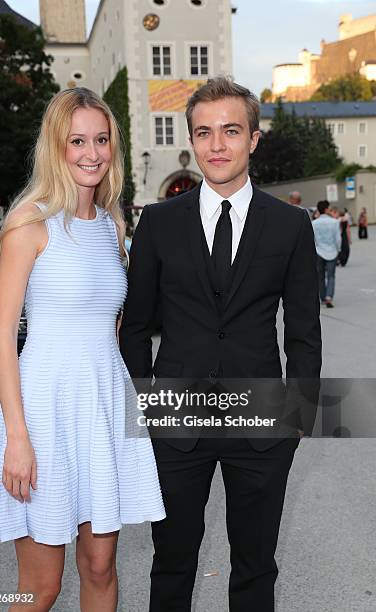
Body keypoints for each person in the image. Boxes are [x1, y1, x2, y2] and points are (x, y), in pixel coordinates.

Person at [120, 77, 321, 612]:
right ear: (192, 140)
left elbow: (303, 329)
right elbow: (136, 327)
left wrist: (297, 415)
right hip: (176, 421)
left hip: (260, 423)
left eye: (231, 131)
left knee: (256, 568)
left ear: (254, 139)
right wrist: (145, 408)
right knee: (172, 563)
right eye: (204, 132)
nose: (217, 145)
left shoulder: (291, 225)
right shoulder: (159, 224)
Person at [0, 88, 165, 611]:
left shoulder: (112, 226)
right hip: (43, 414)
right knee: (41, 587)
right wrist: (17, 437)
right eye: (76, 140)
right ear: (55, 146)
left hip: (102, 409)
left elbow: (112, 329)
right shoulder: (28, 226)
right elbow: (3, 338)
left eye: (101, 140)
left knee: (101, 567)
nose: (91, 153)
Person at [312, 200, 342, 308]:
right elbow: (338, 239)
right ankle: (329, 296)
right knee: (331, 276)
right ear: (326, 209)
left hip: (318, 251)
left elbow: (312, 239)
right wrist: (338, 250)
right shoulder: (334, 222)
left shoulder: (314, 223)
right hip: (332, 251)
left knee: (320, 276)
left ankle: (323, 298)